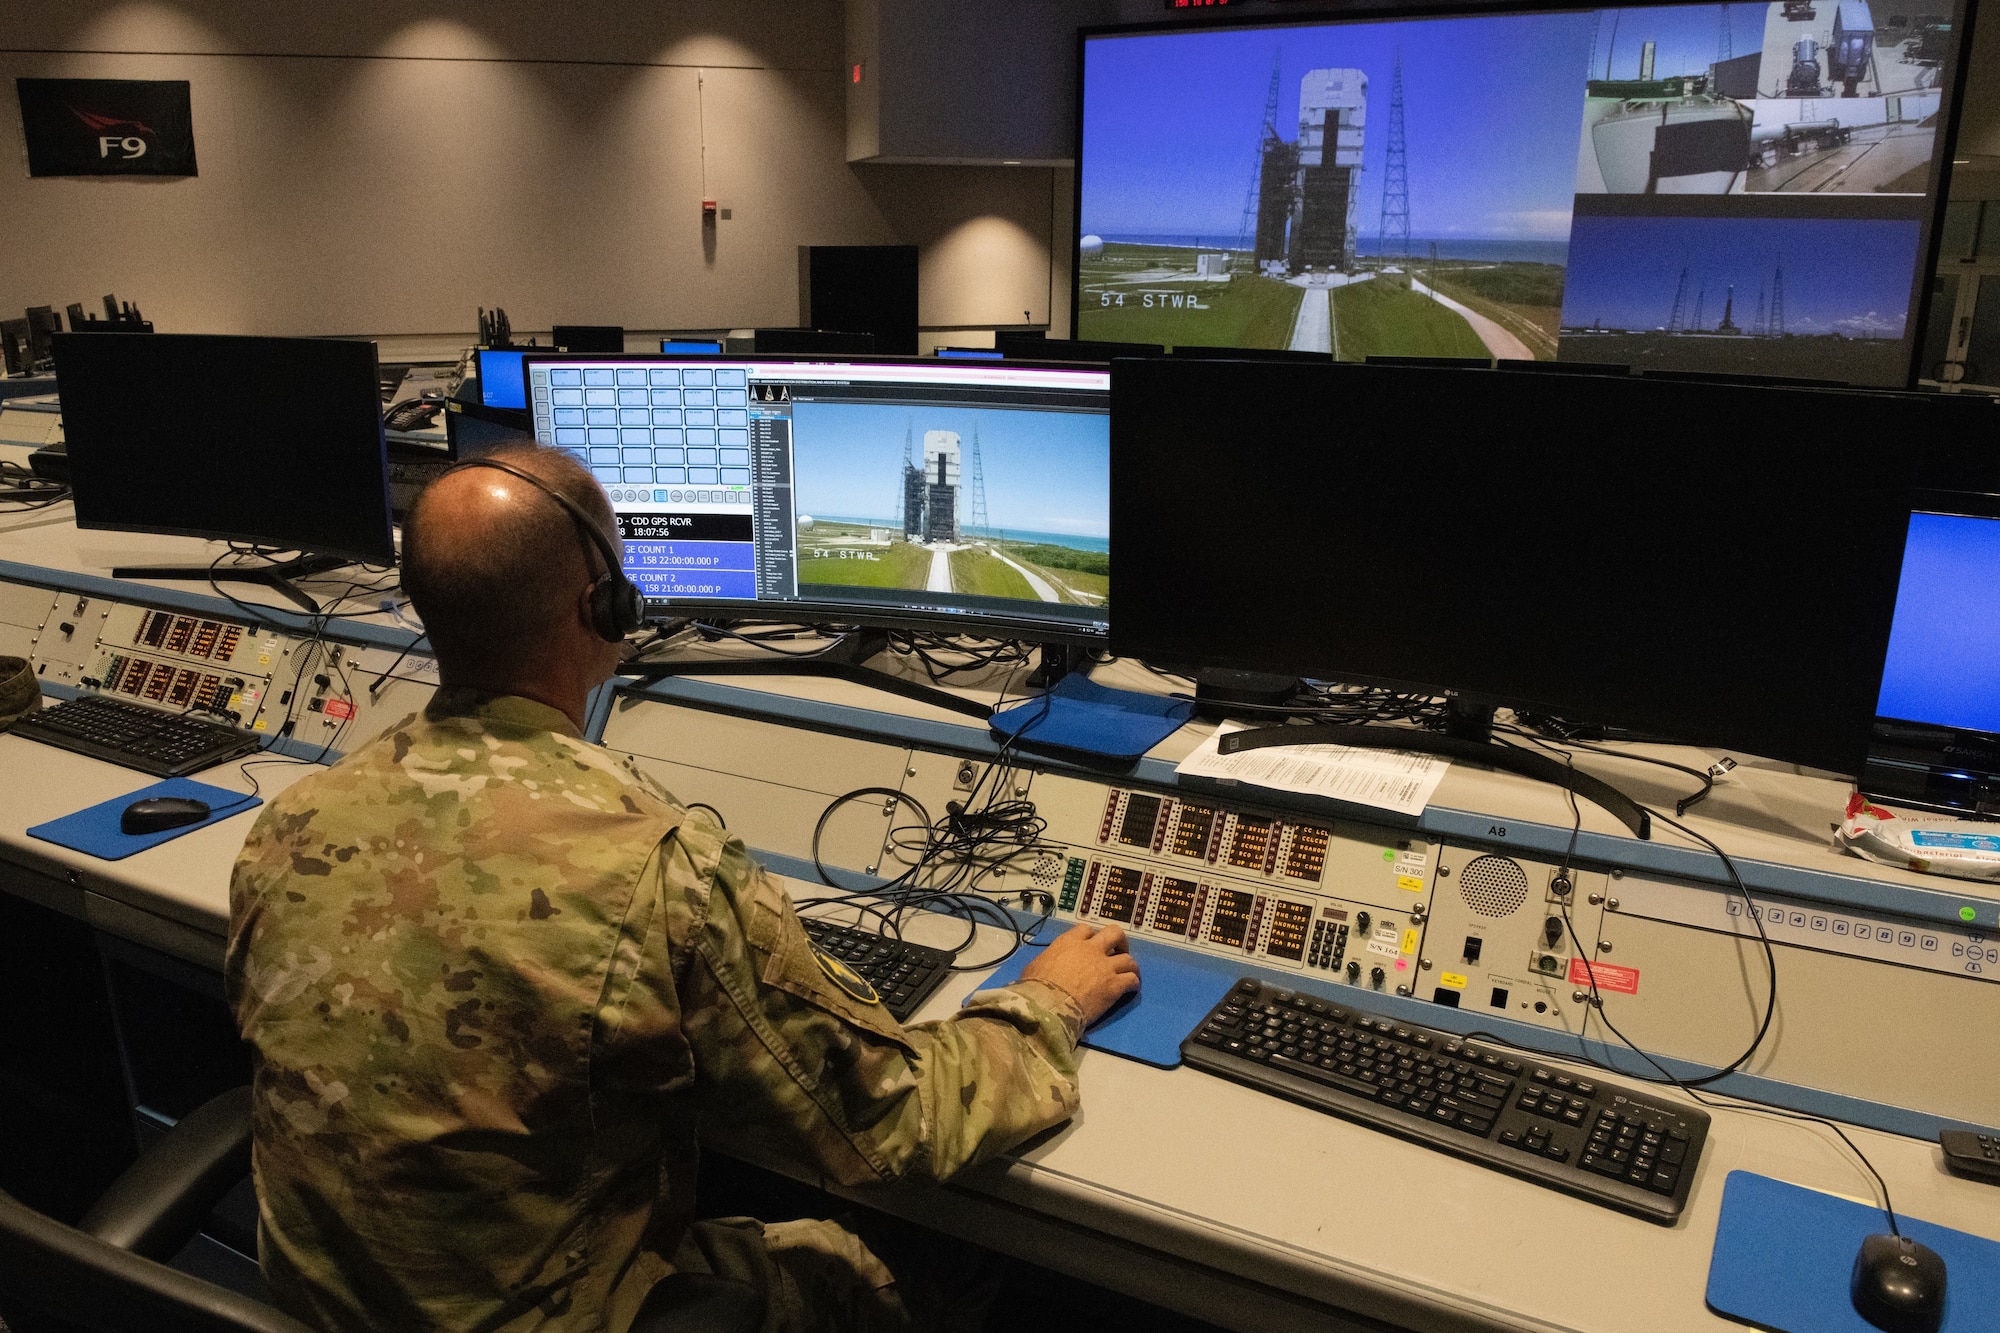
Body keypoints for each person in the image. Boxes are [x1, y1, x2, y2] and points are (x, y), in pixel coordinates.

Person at [226, 444, 1139, 1333]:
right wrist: (1047, 1003)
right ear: (607, 607)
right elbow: (890, 1121)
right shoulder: (653, 862)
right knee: (861, 1264)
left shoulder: (291, 822)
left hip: (333, 1302)